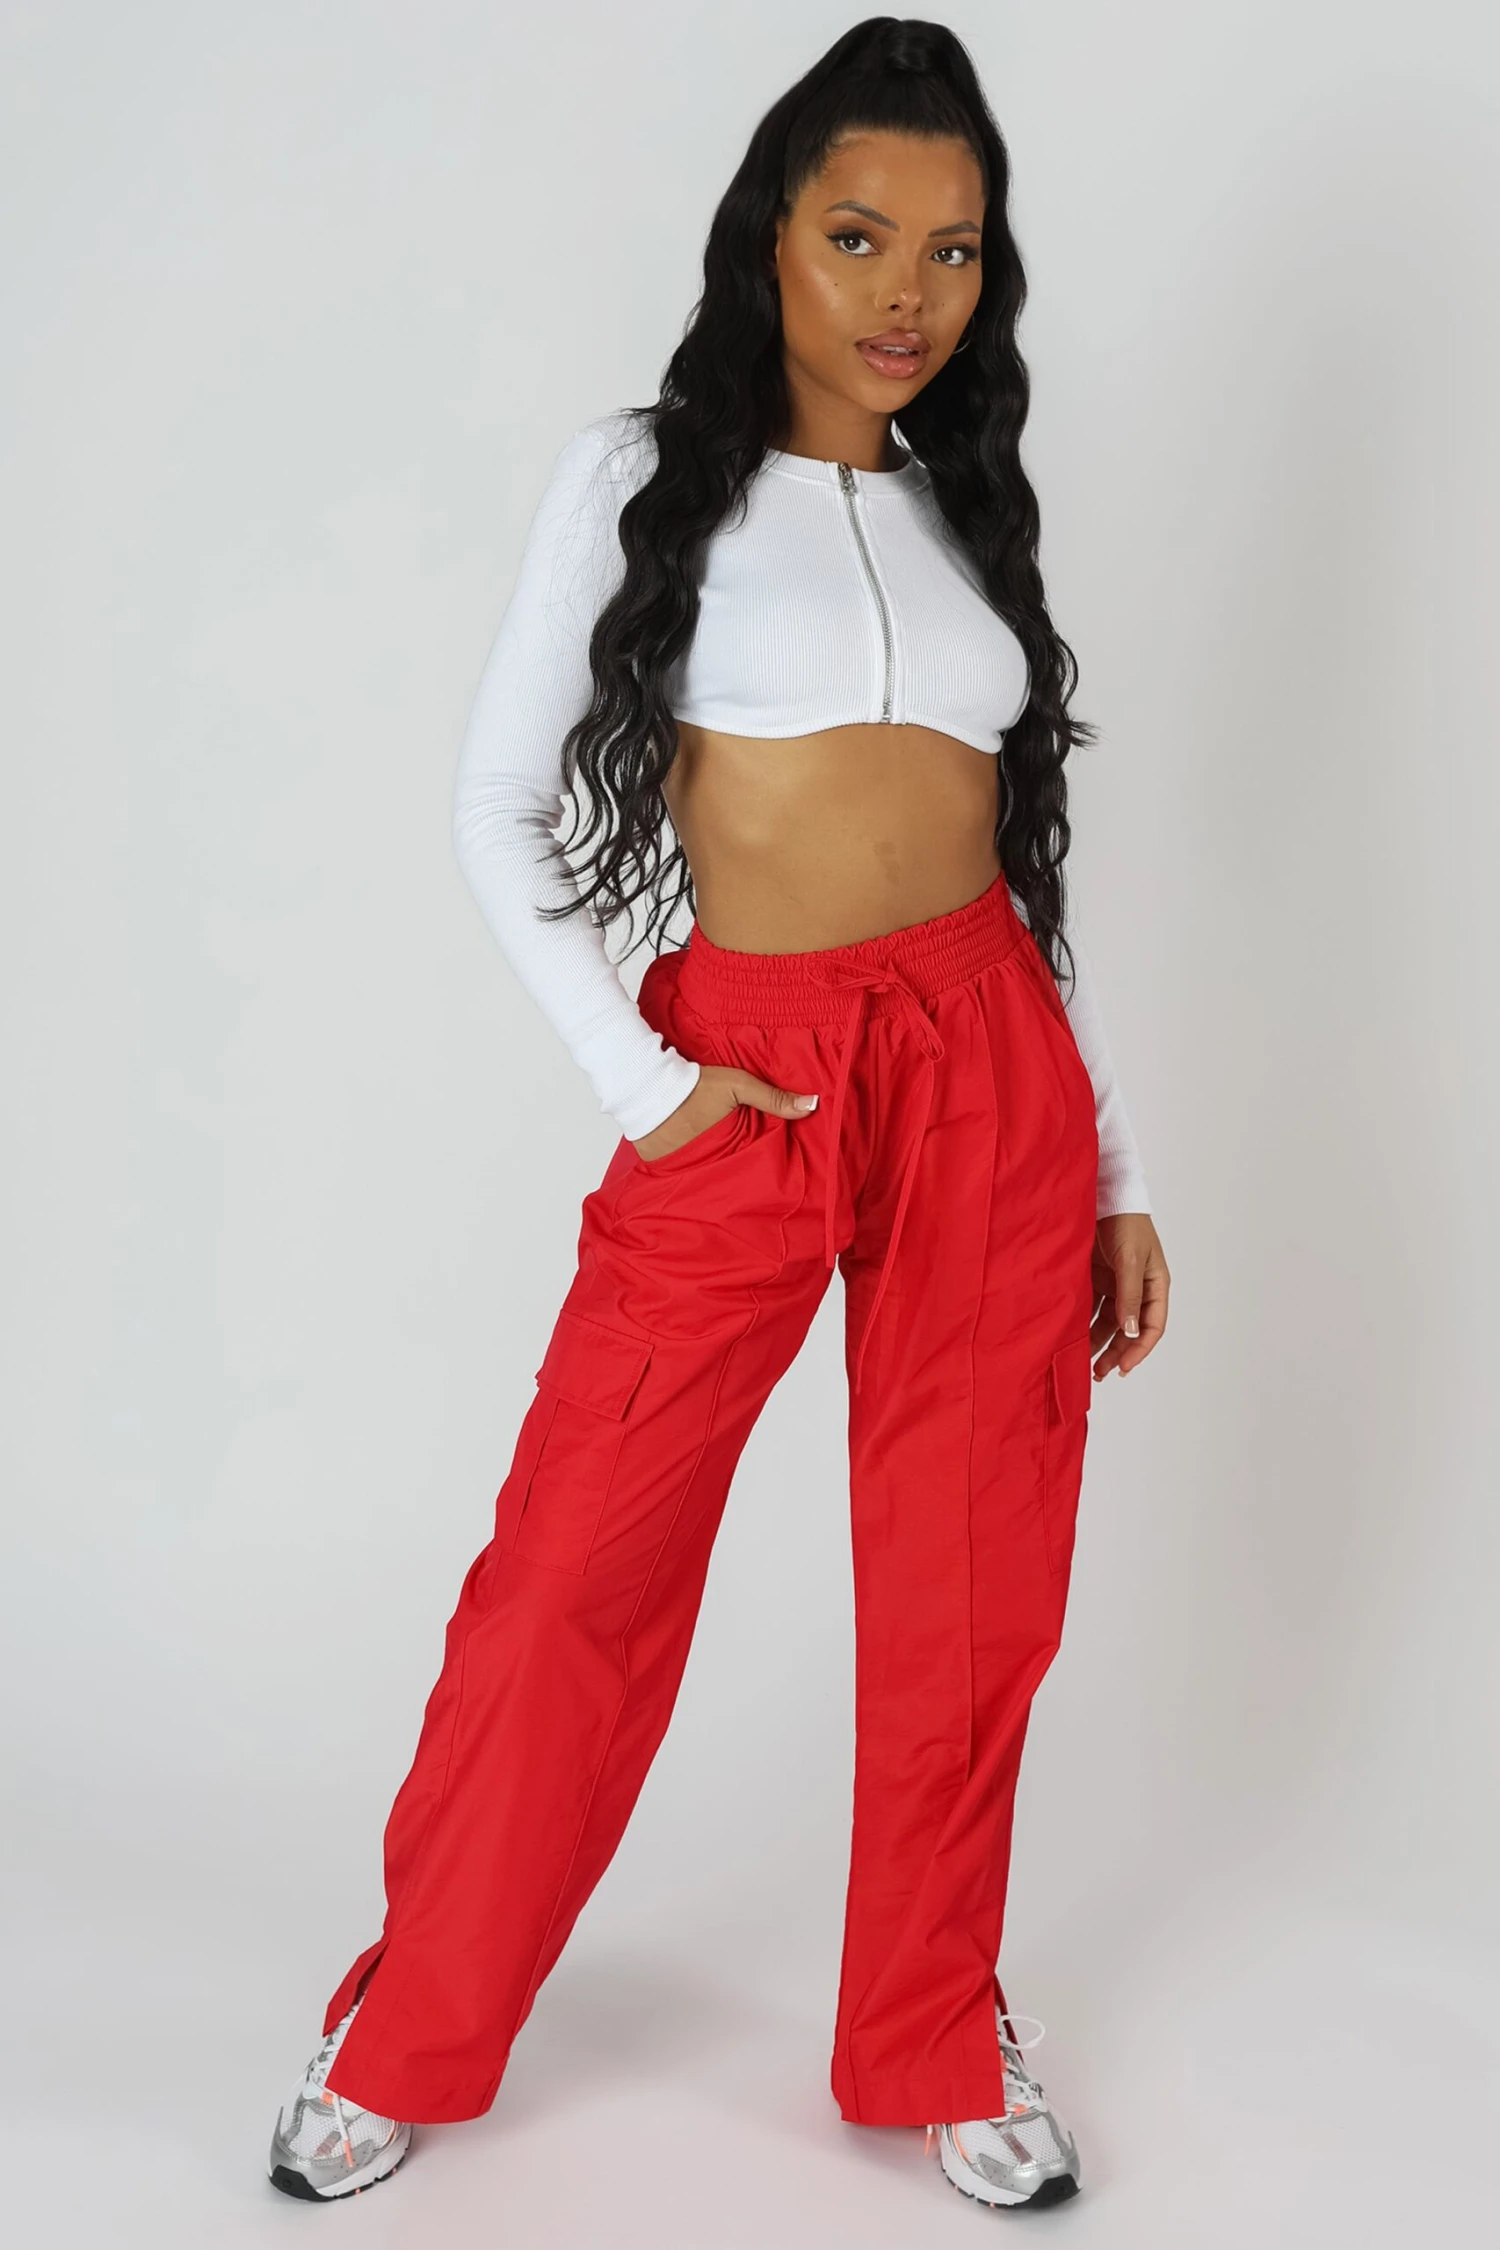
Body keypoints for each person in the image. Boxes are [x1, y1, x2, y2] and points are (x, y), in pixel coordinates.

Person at [267, 13, 1171, 2213]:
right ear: (769, 234)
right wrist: (655, 1087)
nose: (906, 292)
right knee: (578, 1558)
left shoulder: (968, 504)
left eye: (953, 250)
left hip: (991, 1068)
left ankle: (936, 2028)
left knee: (973, 1582)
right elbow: (494, 806)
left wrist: (1113, 1162)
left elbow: (1017, 877)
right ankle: (411, 2021)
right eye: (859, 235)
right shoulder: (637, 479)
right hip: (748, 1067)